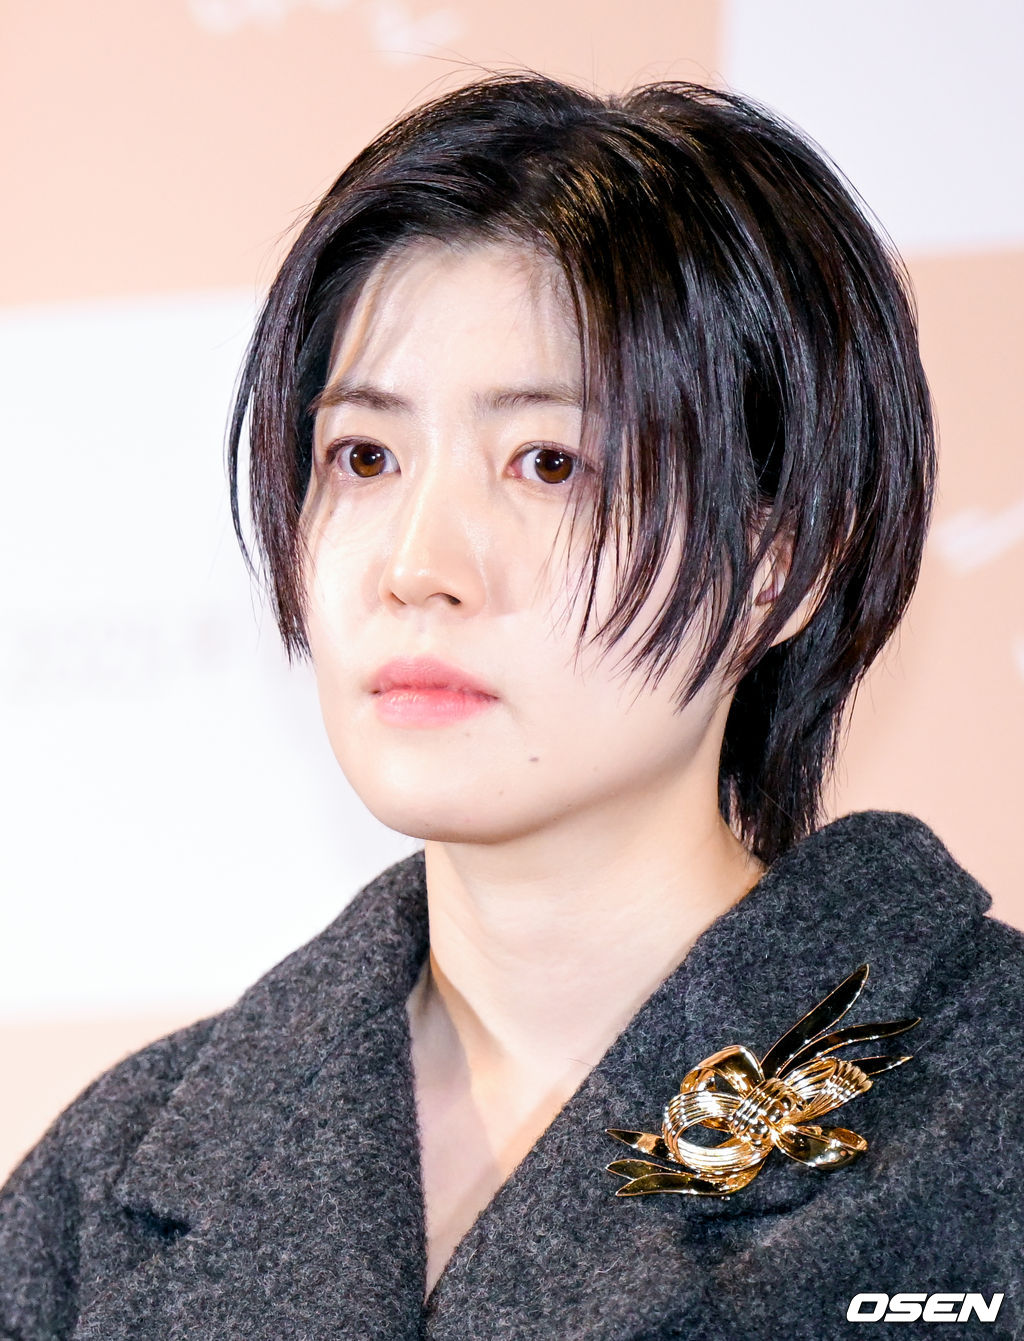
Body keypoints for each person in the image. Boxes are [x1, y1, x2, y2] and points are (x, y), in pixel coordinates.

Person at [1, 71, 1021, 1340]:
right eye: (364, 457)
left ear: (781, 563)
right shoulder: (109, 1184)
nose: (417, 564)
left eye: (549, 463)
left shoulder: (988, 1106)